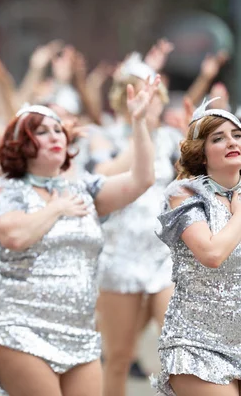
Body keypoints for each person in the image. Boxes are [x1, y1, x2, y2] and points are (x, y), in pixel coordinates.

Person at [0, 76, 160, 396]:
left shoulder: (85, 188)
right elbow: (13, 235)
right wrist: (54, 208)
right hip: (22, 329)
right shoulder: (8, 187)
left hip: (80, 333)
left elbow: (142, 180)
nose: (55, 136)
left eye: (58, 130)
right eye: (42, 132)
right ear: (24, 144)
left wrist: (139, 123)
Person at [89, 54, 181, 394]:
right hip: (120, 258)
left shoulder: (172, 139)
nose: (150, 101)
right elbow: (101, 176)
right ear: (125, 98)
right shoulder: (107, 135)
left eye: (154, 95)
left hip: (164, 258)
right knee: (119, 355)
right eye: (142, 94)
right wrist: (140, 129)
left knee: (179, 344)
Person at [152, 98, 241, 396]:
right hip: (198, 343)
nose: (231, 141)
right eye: (218, 138)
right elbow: (212, 254)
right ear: (201, 154)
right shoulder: (185, 194)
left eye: (237, 135)